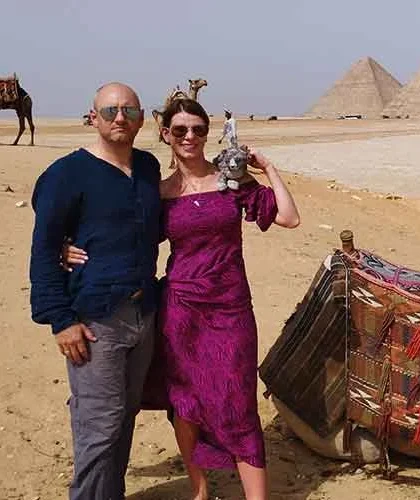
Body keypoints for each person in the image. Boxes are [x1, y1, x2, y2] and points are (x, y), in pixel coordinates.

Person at [63, 98, 301, 500]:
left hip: (230, 309)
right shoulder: (157, 194)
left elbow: (288, 217)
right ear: (166, 135)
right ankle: (199, 490)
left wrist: (269, 169)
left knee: (238, 403)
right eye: (180, 130)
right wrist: (64, 246)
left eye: (198, 129)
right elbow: (121, 237)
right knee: (185, 401)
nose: (190, 137)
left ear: (207, 134)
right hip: (180, 309)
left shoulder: (231, 182)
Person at [29, 82, 161, 499]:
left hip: (143, 312)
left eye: (129, 111)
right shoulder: (67, 172)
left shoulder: (148, 168)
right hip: (95, 320)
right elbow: (43, 246)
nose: (120, 118)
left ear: (141, 119)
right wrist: (60, 320)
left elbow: (148, 228)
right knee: (99, 425)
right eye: (110, 111)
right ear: (93, 117)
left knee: (125, 416)